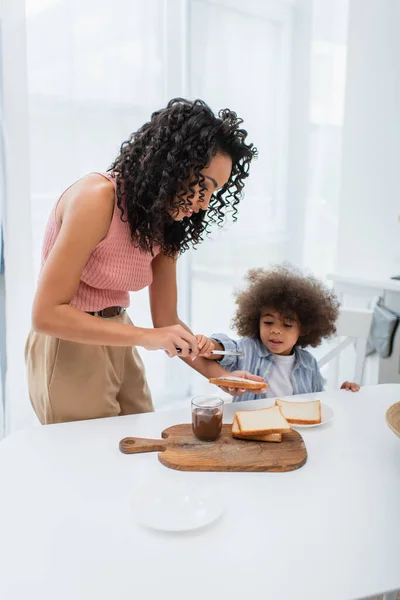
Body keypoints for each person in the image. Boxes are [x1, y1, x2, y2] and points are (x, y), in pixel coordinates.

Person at [25, 98, 265, 424]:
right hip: (68, 343)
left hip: (119, 335)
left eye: (214, 193)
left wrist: (219, 374)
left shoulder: (165, 222)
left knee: (138, 451)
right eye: (203, 187)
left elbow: (166, 319)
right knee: (90, 465)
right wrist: (148, 338)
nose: (205, 204)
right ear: (176, 164)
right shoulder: (97, 198)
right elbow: (46, 314)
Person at [200, 265, 360, 401]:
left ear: (304, 328)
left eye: (287, 324)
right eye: (268, 322)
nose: (276, 330)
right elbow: (225, 350)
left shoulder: (309, 364)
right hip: (250, 426)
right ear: (257, 320)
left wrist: (341, 395)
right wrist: (211, 345)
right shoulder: (247, 350)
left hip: (293, 430)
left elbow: (317, 401)